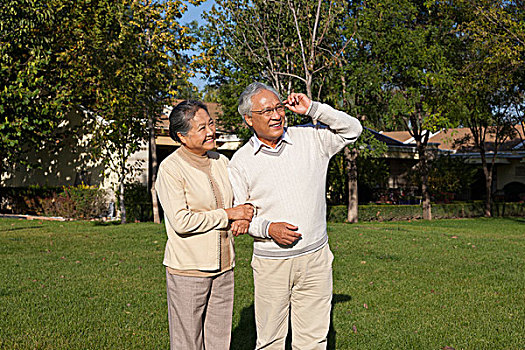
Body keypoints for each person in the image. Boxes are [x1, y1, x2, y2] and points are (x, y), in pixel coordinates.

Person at [228, 83, 362, 349]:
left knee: (313, 340)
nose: (276, 115)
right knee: (270, 341)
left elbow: (353, 130)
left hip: (315, 259)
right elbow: (238, 216)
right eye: (266, 111)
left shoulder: (311, 138)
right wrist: (268, 229)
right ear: (248, 119)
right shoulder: (240, 162)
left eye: (278, 107)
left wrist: (313, 108)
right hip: (271, 264)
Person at [156, 100, 254, 350]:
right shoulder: (171, 169)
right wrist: (229, 214)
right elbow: (181, 221)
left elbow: (242, 197)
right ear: (182, 136)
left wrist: (243, 214)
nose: (211, 131)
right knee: (188, 342)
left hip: (224, 267)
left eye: (210, 123)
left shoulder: (221, 161)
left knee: (219, 341)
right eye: (201, 128)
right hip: (188, 270)